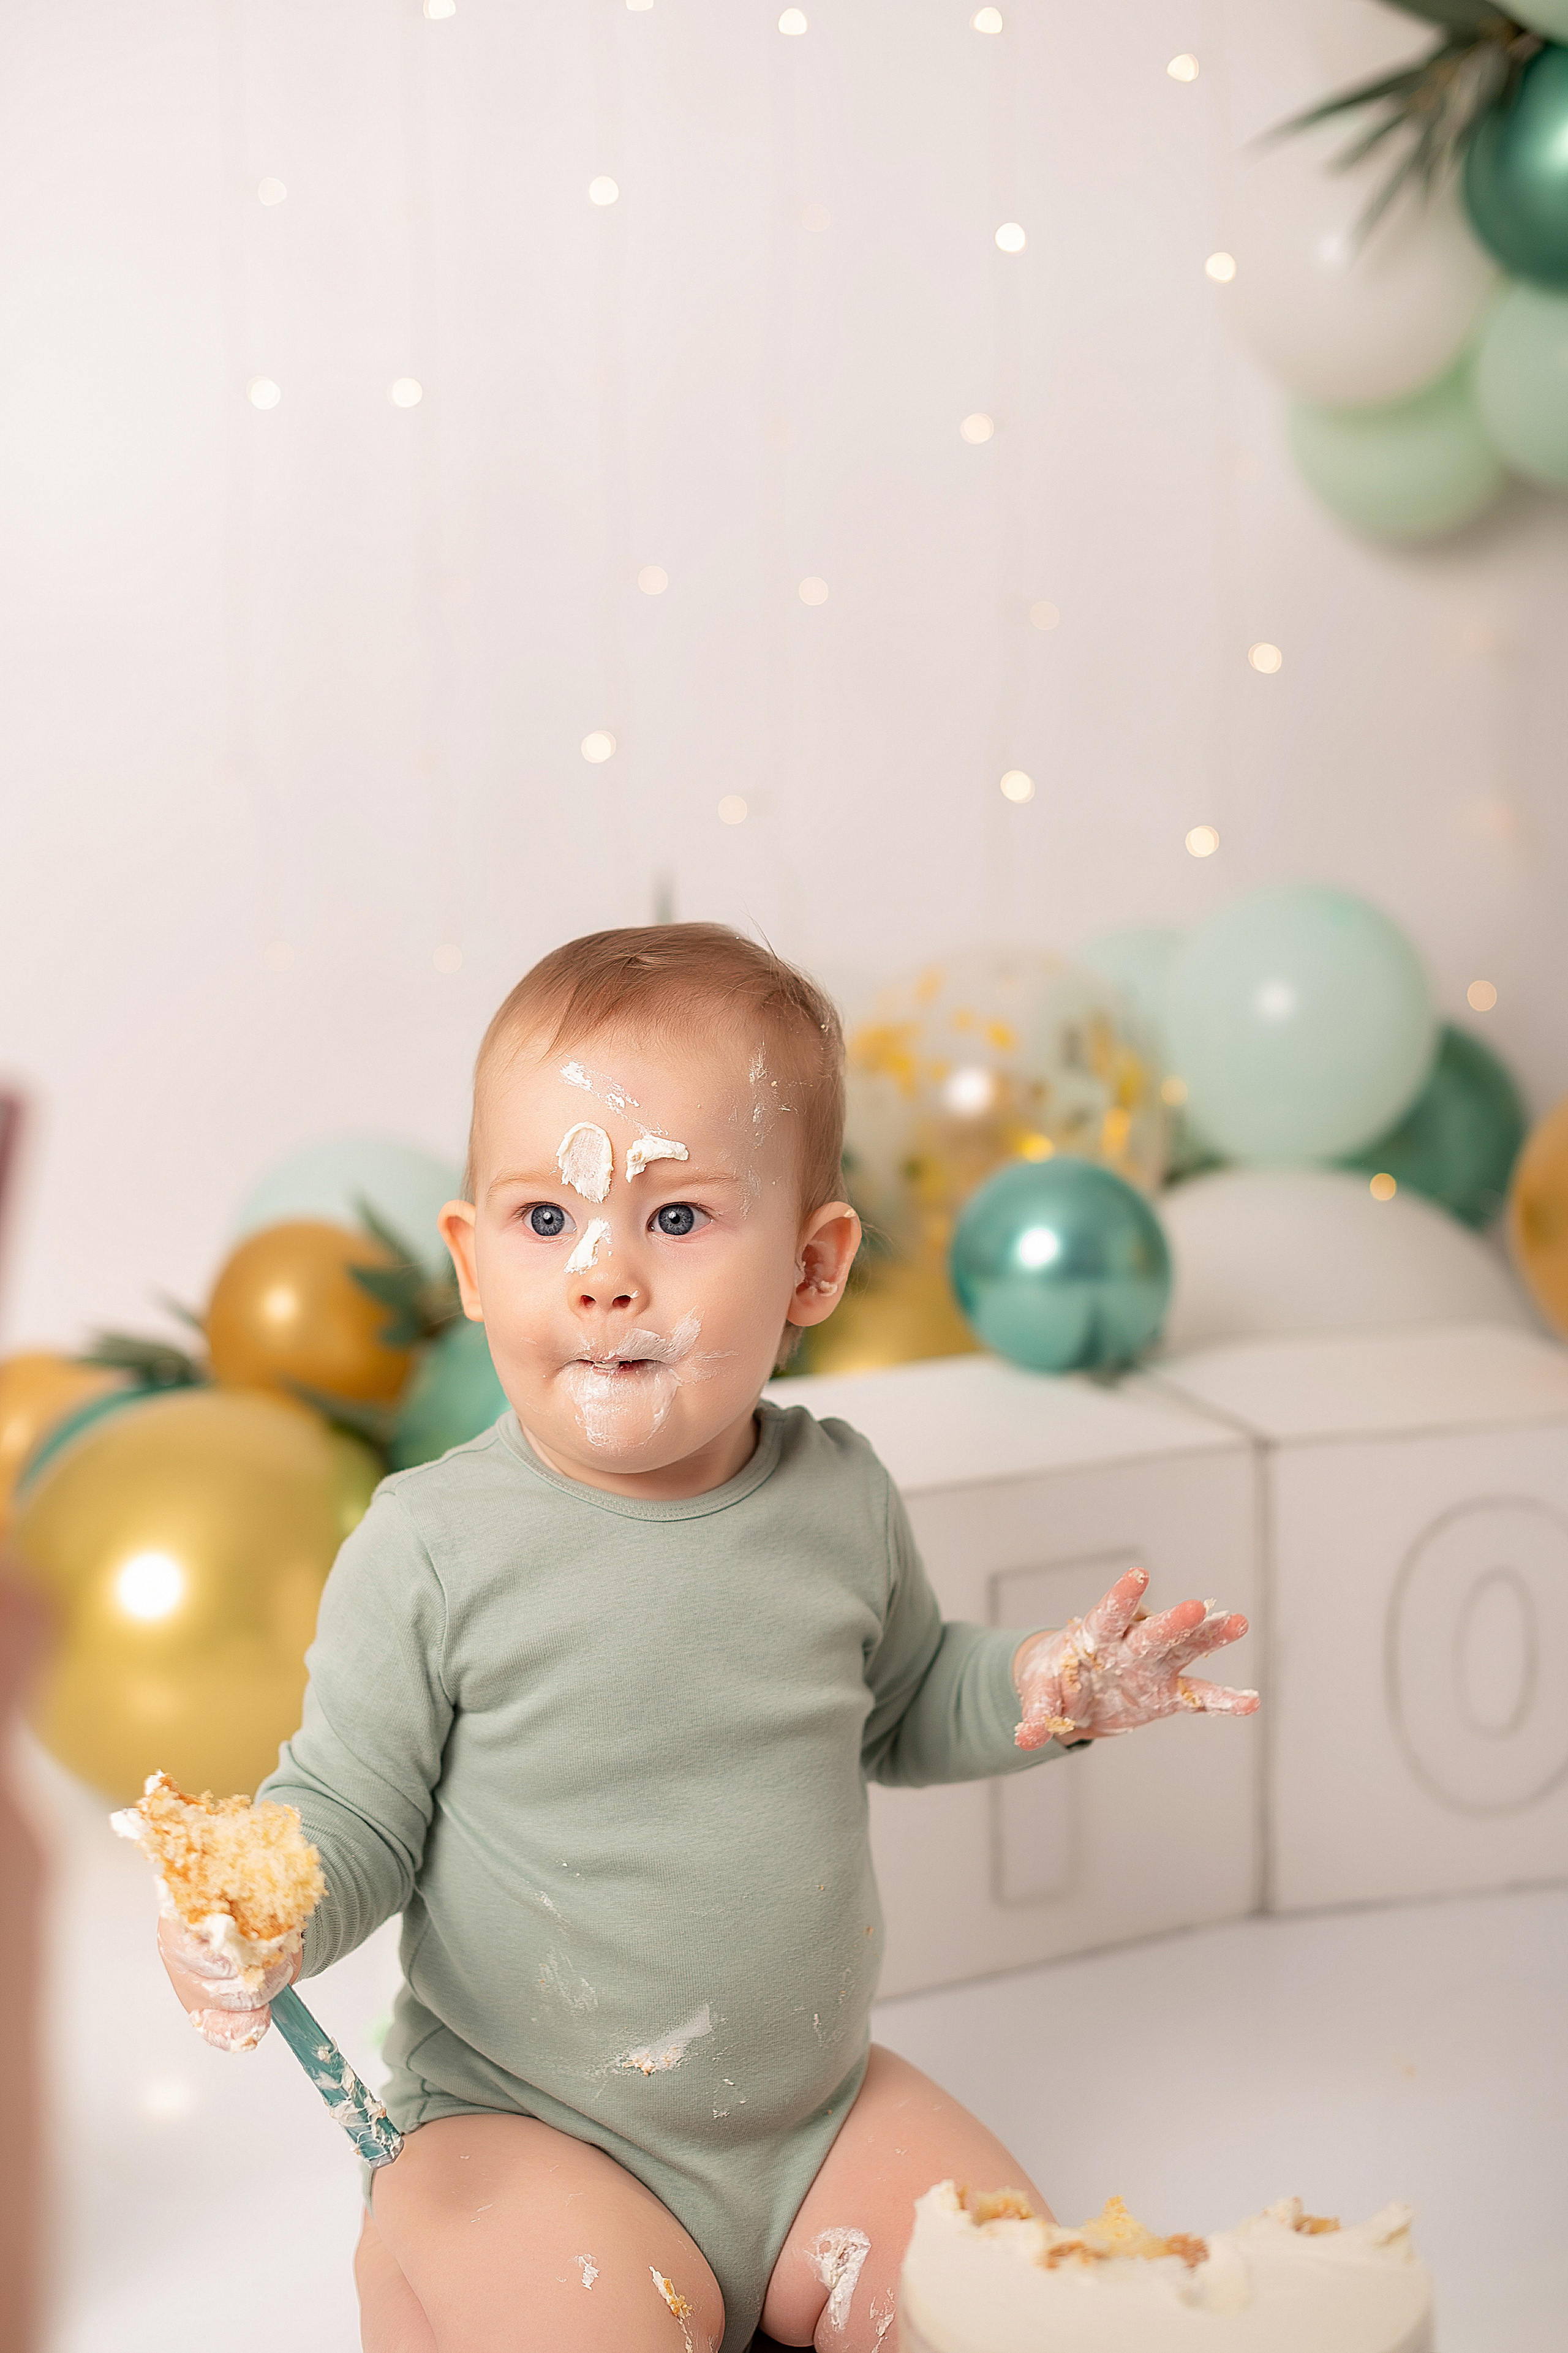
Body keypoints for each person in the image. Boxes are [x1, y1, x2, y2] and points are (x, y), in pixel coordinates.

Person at [157, 924, 1257, 2353]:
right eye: (546, 1220)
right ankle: (437, 2266)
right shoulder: (430, 1546)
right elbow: (357, 1811)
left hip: (811, 2123)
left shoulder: (835, 1493)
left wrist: (1045, 1686)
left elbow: (909, 1697)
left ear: (812, 1266)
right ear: (472, 1259)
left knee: (1021, 2304)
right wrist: (268, 1911)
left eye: (675, 1218)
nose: (605, 1274)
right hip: (530, 2128)